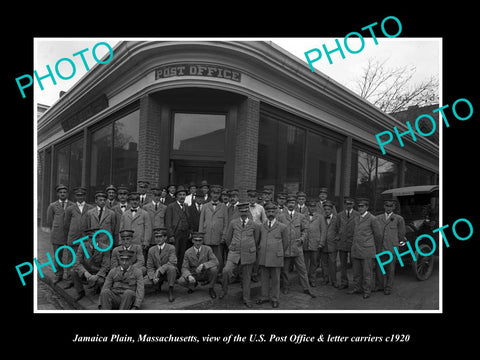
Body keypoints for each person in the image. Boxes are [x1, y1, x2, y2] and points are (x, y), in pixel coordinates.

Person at [220, 202, 261, 308]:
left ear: (248, 212)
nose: (243, 214)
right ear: (238, 212)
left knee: (246, 277)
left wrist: (250, 247)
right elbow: (228, 238)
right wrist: (233, 247)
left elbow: (256, 240)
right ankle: (224, 290)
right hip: (234, 252)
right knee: (226, 270)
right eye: (241, 211)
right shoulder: (233, 223)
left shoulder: (254, 225)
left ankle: (246, 298)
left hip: (248, 253)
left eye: (245, 211)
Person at [277, 194, 316, 297]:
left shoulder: (301, 216)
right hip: (285, 248)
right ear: (286, 204)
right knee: (285, 271)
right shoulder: (281, 217)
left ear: (295, 204)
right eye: (289, 203)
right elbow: (278, 231)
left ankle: (307, 288)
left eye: (293, 203)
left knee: (302, 269)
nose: (291, 204)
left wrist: (302, 238)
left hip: (297, 248)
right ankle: (285, 287)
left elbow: (305, 230)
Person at [256, 202, 289, 308]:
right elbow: (258, 240)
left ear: (276, 213)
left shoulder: (282, 227)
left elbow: (286, 243)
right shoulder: (261, 226)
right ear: (265, 212)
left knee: (275, 279)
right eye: (268, 211)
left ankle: (275, 298)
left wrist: (279, 252)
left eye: (273, 211)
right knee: (264, 278)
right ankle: (264, 296)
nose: (270, 213)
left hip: (276, 256)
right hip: (264, 256)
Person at [348, 198, 382, 299]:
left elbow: (378, 235)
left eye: (362, 206)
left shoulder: (372, 219)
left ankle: (367, 291)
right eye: (359, 206)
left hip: (367, 250)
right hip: (356, 249)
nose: (360, 208)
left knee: (367, 273)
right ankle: (357, 288)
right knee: (356, 272)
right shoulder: (356, 218)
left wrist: (375, 248)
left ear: (367, 207)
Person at [63, 187, 94, 289]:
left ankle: (83, 278)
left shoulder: (90, 208)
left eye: (82, 195)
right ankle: (69, 279)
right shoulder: (70, 209)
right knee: (71, 258)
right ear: (75, 196)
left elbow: (91, 224)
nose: (80, 197)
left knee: (85, 259)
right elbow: (66, 224)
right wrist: (69, 236)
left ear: (85, 196)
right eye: (78, 195)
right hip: (74, 237)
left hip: (85, 238)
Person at [374, 198, 406, 295]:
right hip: (380, 247)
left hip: (392, 247)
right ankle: (379, 285)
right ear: (384, 206)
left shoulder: (399, 219)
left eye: (391, 206)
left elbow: (401, 234)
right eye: (387, 206)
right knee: (379, 268)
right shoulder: (378, 218)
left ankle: (388, 287)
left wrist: (398, 245)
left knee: (390, 269)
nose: (388, 208)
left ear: (394, 207)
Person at [71, 227, 111, 301]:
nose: (92, 240)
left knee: (101, 281)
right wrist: (85, 273)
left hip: (97, 272)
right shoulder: (82, 246)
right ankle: (80, 292)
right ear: (87, 239)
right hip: (86, 271)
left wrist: (97, 276)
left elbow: (106, 266)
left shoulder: (105, 248)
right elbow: (76, 262)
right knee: (73, 272)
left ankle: (98, 288)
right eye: (90, 238)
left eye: (95, 237)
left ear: (98, 238)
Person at [46, 184, 74, 284]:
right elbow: (49, 221)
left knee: (71, 255)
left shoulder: (72, 205)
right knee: (58, 255)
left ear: (67, 193)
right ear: (58, 194)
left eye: (64, 192)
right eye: (61, 192)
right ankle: (59, 274)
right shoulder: (53, 205)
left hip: (70, 234)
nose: (63, 194)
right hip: (57, 234)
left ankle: (71, 276)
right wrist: (54, 231)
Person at [198, 185, 228, 276]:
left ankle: (217, 275)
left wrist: (224, 236)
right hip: (207, 236)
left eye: (217, 193)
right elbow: (201, 222)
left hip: (217, 236)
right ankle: (206, 276)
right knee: (205, 256)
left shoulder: (223, 207)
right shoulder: (205, 206)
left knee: (218, 258)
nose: (215, 195)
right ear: (210, 194)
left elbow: (226, 223)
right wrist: (200, 236)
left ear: (220, 195)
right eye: (214, 193)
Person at [178, 231, 219, 299]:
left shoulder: (208, 249)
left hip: (205, 272)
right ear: (192, 241)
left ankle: (211, 288)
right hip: (194, 274)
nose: (198, 243)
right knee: (181, 281)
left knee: (214, 269)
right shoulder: (188, 252)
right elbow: (184, 268)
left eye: (200, 240)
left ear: (202, 241)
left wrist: (204, 265)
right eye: (196, 240)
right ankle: (193, 285)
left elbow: (215, 261)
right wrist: (189, 276)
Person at [146, 227, 177, 302]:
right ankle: (158, 284)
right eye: (156, 237)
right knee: (144, 283)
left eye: (160, 237)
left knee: (172, 268)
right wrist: (153, 277)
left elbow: (172, 262)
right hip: (157, 274)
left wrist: (159, 271)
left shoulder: (171, 248)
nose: (158, 239)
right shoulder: (151, 250)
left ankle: (170, 290)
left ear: (165, 237)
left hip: (168, 273)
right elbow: (149, 266)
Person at [165, 185, 191, 273]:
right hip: (175, 234)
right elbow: (168, 222)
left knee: (182, 254)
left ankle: (180, 271)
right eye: (180, 195)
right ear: (176, 196)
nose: (182, 196)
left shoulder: (186, 206)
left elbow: (188, 220)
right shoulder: (171, 206)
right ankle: (173, 273)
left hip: (184, 234)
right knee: (174, 254)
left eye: (184, 195)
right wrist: (171, 235)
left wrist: (189, 231)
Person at [120, 192, 152, 261]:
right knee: (128, 260)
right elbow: (121, 229)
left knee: (140, 260)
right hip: (127, 243)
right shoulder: (125, 214)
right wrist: (120, 242)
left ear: (139, 201)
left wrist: (146, 242)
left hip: (140, 243)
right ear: (129, 201)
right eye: (132, 200)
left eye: (136, 200)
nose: (134, 202)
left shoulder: (144, 214)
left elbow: (148, 229)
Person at [302, 199, 326, 288]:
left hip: (315, 244)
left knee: (314, 263)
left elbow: (323, 231)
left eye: (313, 206)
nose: (312, 208)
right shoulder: (303, 216)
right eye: (310, 206)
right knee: (304, 263)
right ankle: (304, 280)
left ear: (316, 207)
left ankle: (312, 279)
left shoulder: (320, 217)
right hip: (305, 243)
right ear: (307, 207)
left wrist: (321, 243)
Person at [336, 197, 359, 290]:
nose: (349, 206)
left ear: (353, 205)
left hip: (353, 243)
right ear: (344, 205)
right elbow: (337, 227)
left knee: (355, 264)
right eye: (347, 204)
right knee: (343, 265)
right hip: (342, 242)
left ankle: (356, 283)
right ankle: (344, 282)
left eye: (351, 204)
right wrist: (339, 236)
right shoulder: (339, 215)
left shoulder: (358, 215)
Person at [319, 200, 339, 287]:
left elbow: (340, 229)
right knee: (324, 264)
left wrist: (337, 237)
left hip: (332, 244)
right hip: (323, 245)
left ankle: (334, 280)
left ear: (332, 210)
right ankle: (325, 279)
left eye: (328, 209)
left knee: (332, 263)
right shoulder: (321, 218)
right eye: (325, 209)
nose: (327, 211)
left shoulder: (336, 218)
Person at [143, 187, 168, 253]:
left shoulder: (164, 208)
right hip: (150, 236)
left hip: (160, 236)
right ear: (152, 196)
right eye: (155, 195)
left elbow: (166, 222)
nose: (157, 198)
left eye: (158, 196)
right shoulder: (146, 207)